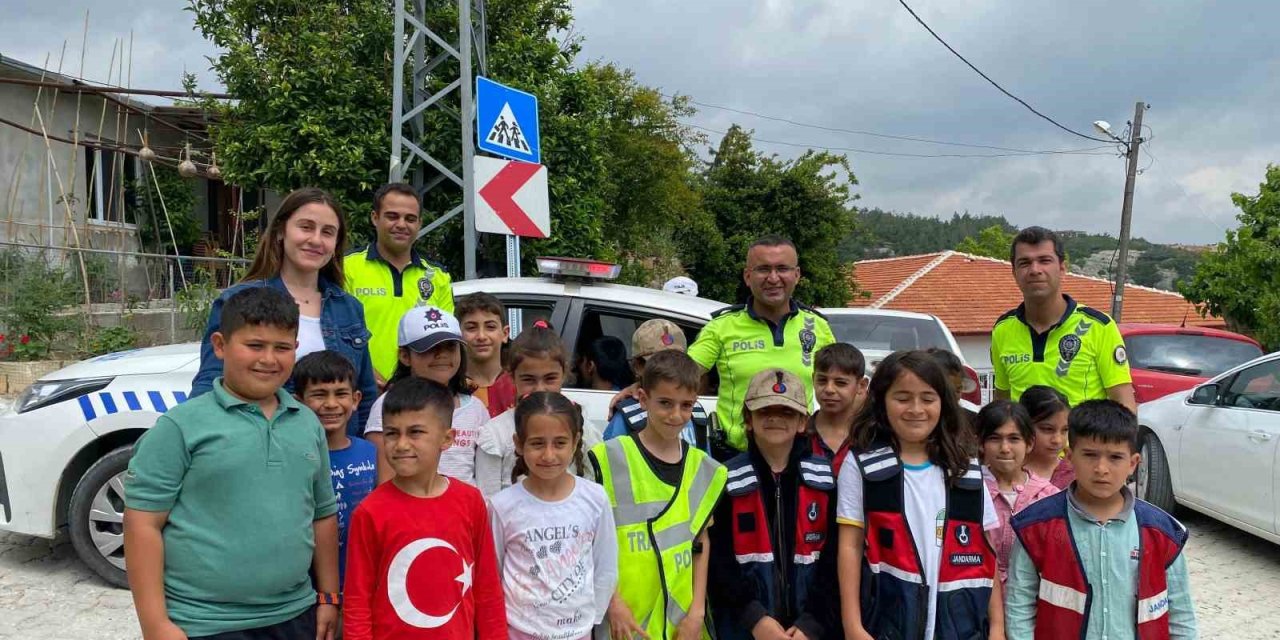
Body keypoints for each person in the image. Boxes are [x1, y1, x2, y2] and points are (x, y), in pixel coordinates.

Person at [123, 287, 340, 639]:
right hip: (205, 623)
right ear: (220, 345)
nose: (269, 359)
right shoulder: (180, 427)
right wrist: (156, 623)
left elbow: (322, 514)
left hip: (294, 615)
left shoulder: (307, 423)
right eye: (255, 345)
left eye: (282, 347)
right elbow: (142, 525)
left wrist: (328, 596)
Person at [836, 350, 1004, 640]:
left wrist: (998, 628)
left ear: (944, 403)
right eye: (902, 398)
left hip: (959, 626)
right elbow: (849, 548)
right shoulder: (862, 464)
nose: (916, 409)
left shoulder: (966, 469)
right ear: (881, 401)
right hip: (887, 623)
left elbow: (985, 552)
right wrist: (853, 626)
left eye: (927, 399)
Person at [191, 187, 378, 436]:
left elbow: (364, 395)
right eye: (306, 227)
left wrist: (365, 455)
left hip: (337, 460)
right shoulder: (239, 300)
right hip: (263, 447)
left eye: (327, 232)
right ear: (281, 231)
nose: (316, 240)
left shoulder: (349, 308)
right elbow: (210, 382)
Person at [1007, 400, 1197, 639]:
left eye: (1115, 457)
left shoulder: (1163, 533)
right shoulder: (1035, 528)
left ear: (1133, 463)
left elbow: (1181, 613)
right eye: (1090, 455)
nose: (1101, 468)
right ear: (1069, 457)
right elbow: (1019, 606)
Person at [342, 378, 506, 640]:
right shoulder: (370, 512)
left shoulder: (470, 501)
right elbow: (357, 602)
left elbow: (487, 589)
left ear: (447, 438)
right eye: (392, 433)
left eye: (415, 432)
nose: (402, 444)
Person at [587, 350, 727, 640]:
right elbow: (589, 541)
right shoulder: (608, 458)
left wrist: (697, 613)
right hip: (624, 618)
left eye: (686, 405)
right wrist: (612, 603)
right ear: (642, 399)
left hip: (682, 622)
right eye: (665, 403)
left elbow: (701, 543)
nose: (676, 415)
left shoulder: (703, 468)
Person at [709, 369, 840, 640]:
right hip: (745, 628)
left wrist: (812, 623)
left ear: (803, 421)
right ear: (748, 418)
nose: (775, 418)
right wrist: (755, 619)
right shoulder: (724, 478)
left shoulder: (826, 478)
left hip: (812, 629)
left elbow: (837, 557)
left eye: (787, 412)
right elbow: (717, 561)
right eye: (764, 410)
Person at [688, 235, 835, 456]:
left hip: (800, 456)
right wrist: (640, 386)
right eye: (763, 269)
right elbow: (679, 375)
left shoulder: (817, 327)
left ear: (797, 275)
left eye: (782, 269)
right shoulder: (721, 327)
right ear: (748, 276)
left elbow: (843, 385)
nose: (773, 278)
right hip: (736, 456)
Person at [489, 392, 619, 640]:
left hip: (579, 633)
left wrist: (590, 621)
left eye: (559, 443)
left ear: (575, 441)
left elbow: (606, 565)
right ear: (518, 443)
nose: (549, 455)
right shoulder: (502, 506)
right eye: (537, 443)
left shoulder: (595, 498)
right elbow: (494, 573)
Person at [991, 226, 1136, 413]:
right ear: (1014, 272)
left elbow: (1124, 406)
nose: (1035, 270)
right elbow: (1002, 403)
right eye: (1024, 263)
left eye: (1044, 260)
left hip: (1082, 443)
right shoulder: (1002, 329)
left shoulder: (1099, 327)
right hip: (1026, 443)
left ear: (1062, 269)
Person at [475, 321, 602, 498]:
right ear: (512, 377)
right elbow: (487, 501)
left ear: (564, 374)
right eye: (529, 380)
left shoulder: (584, 428)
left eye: (550, 379)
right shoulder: (495, 435)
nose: (540, 389)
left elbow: (596, 491)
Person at [344, 183, 455, 386]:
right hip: (360, 391)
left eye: (410, 219)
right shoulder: (347, 267)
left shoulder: (437, 276)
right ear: (375, 218)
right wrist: (374, 381)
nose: (402, 224)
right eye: (392, 216)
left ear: (419, 223)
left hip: (420, 394)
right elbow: (338, 334)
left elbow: (445, 344)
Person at [363, 306, 488, 486]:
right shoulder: (387, 404)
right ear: (405, 356)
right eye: (431, 348)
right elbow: (385, 482)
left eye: (450, 347)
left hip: (466, 511)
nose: (442, 354)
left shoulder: (476, 408)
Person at [293, 350, 378, 587]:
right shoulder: (292, 458)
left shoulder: (371, 453)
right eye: (319, 395)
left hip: (365, 581)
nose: (331, 404)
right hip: (309, 586)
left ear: (356, 399)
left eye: (341, 394)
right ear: (298, 402)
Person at [975, 399, 1059, 590]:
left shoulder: (1048, 497)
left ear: (1029, 443)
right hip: (981, 598)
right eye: (995, 438)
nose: (1005, 448)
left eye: (1014, 439)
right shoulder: (971, 491)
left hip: (1032, 601)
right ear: (981, 443)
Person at [604, 319, 712, 450]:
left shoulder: (695, 411)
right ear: (637, 366)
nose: (668, 371)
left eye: (676, 362)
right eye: (657, 365)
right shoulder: (626, 417)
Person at [809, 342, 867, 475]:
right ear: (813, 379)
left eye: (840, 383)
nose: (829, 389)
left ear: (861, 386)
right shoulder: (799, 435)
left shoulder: (870, 437)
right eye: (822, 380)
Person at [456, 292, 515, 417]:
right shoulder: (451, 388)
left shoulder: (519, 384)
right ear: (458, 334)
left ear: (505, 333)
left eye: (490, 327)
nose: (481, 336)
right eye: (471, 328)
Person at [1020, 385, 1075, 490]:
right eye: (1047, 429)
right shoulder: (1006, 471)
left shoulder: (1076, 475)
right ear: (1024, 425)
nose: (1057, 440)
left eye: (1065, 430)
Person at [924, 347, 980, 425]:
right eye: (946, 389)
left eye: (958, 389)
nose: (952, 396)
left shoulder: (973, 421)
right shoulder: (918, 419)